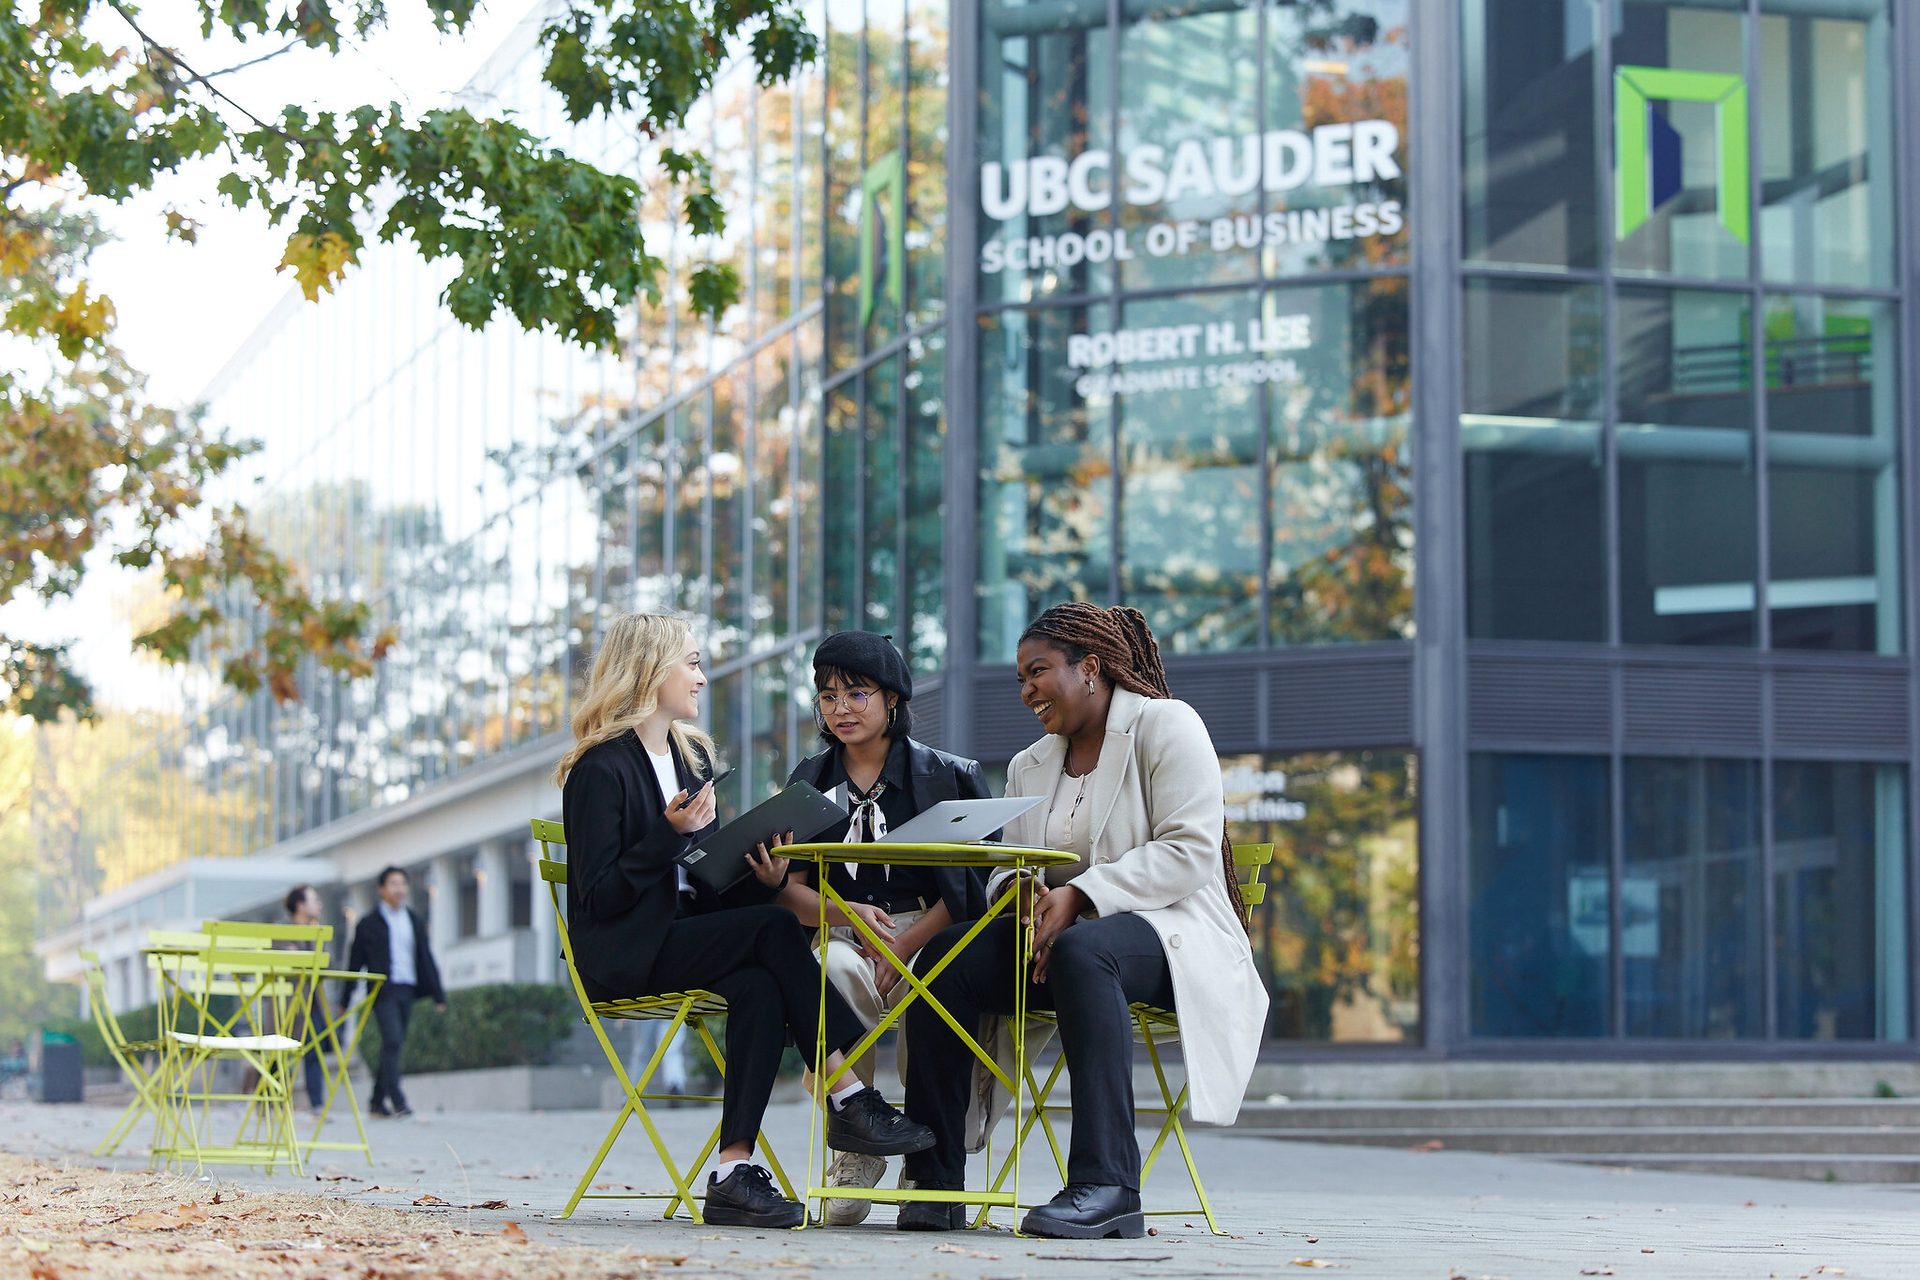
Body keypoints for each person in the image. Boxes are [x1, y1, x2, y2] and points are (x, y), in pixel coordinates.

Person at [896, 603, 1267, 1238]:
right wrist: (1017, 893)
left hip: (1172, 935)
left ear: (1090, 668)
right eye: (1020, 679)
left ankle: (1109, 1185)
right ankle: (935, 1184)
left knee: (1086, 952)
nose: (1027, 691)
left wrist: (1083, 897)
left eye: (1038, 671)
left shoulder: (1167, 726)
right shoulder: (1029, 764)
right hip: (1059, 943)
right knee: (944, 961)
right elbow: (1007, 865)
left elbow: (1191, 851)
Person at [555, 612, 934, 1229]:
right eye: (694, 662)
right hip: (621, 953)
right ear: (652, 670)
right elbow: (598, 897)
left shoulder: (689, 758)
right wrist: (667, 836)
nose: (702, 678)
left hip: (679, 935)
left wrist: (764, 875)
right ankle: (849, 1094)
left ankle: (733, 1172)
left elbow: (701, 886)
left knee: (759, 984)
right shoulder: (601, 769)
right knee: (776, 932)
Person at [776, 630, 991, 1224]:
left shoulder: (948, 775)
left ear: (892, 698)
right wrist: (849, 922)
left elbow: (974, 891)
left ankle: (928, 1146)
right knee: (829, 974)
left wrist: (901, 944)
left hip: (930, 932)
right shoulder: (809, 782)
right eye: (827, 696)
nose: (841, 708)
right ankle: (856, 1146)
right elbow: (786, 889)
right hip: (840, 931)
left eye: (857, 693)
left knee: (943, 985)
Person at [342, 866, 446, 1118]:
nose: (399, 889)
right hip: (382, 989)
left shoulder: (414, 919)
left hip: (407, 988)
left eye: (402, 884)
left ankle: (377, 1101)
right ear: (382, 889)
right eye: (393, 884)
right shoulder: (368, 923)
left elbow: (425, 957)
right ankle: (398, 1100)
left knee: (393, 1045)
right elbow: (355, 962)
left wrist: (438, 994)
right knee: (392, 1040)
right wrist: (345, 998)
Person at [283, 884, 333, 1111]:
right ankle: (274, 1101)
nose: (319, 905)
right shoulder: (284, 932)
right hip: (288, 1005)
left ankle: (317, 1103)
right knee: (282, 1053)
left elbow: (326, 965)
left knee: (314, 1052)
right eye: (314, 900)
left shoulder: (317, 933)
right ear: (300, 905)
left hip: (313, 1003)